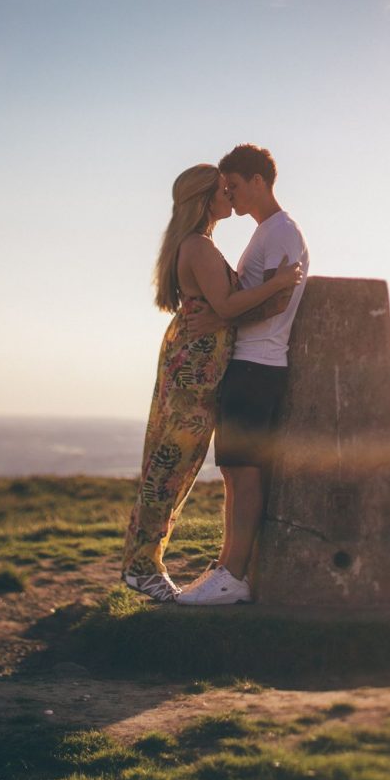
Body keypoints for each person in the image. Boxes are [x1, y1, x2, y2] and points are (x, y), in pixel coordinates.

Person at [121, 163, 303, 602]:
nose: (230, 196)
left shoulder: (197, 244)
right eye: (223, 190)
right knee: (170, 465)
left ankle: (144, 564)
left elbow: (220, 305)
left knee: (172, 464)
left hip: (196, 363)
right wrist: (277, 282)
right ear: (206, 199)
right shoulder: (199, 246)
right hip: (195, 369)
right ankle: (142, 568)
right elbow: (225, 302)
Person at [177, 144, 310, 606]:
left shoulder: (282, 233)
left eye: (233, 186)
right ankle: (228, 568)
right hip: (249, 364)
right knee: (235, 472)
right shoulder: (267, 232)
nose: (228, 195)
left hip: (258, 365)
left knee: (244, 472)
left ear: (259, 181)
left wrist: (220, 320)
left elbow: (277, 301)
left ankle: (233, 576)